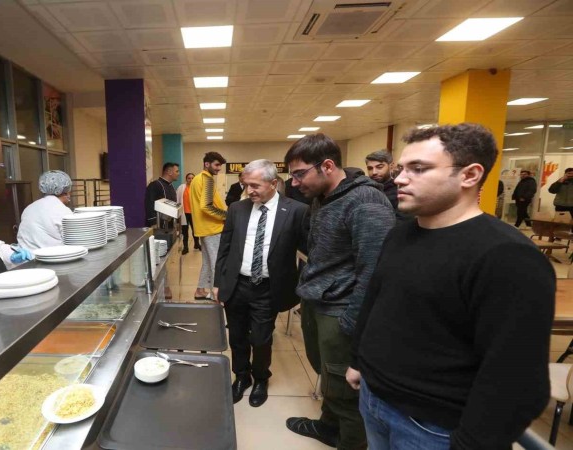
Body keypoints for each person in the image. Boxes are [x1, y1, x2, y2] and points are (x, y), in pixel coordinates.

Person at [346, 123, 555, 450]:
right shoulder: (401, 234)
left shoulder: (507, 256)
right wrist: (359, 360)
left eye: (418, 169)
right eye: (402, 168)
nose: (399, 179)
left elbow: (516, 378)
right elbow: (376, 302)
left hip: (433, 427)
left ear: (469, 175)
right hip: (375, 400)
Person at [283, 134, 395, 449]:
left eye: (300, 174)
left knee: (346, 393)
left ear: (328, 166)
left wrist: (351, 322)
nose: (294, 183)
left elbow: (374, 272)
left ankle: (351, 441)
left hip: (340, 311)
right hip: (317, 302)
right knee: (328, 377)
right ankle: (329, 427)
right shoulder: (322, 197)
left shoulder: (366, 201)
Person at [213, 159, 308, 407]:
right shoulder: (237, 208)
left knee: (261, 338)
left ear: (273, 183)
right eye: (246, 185)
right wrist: (218, 282)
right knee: (237, 336)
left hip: (267, 288)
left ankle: (261, 379)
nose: (249, 190)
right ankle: (241, 376)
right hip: (237, 284)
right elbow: (225, 247)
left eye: (255, 185)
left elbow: (309, 250)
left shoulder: (297, 210)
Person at [190, 151, 227, 300]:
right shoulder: (207, 179)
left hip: (204, 228)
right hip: (212, 228)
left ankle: (200, 291)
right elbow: (206, 206)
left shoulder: (197, 178)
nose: (219, 168)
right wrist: (227, 215)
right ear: (207, 164)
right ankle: (216, 295)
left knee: (208, 261)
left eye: (220, 165)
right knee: (216, 263)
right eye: (217, 165)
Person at [17, 170, 73, 250]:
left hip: (26, 255)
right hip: (53, 255)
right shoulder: (64, 212)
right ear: (66, 192)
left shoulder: (29, 208)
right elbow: (72, 242)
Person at [144, 162, 179, 227]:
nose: (178, 174)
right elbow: (149, 205)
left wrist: (177, 221)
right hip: (159, 225)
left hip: (170, 225)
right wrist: (154, 223)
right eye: (177, 171)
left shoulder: (171, 186)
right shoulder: (155, 185)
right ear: (169, 172)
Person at [176, 172, 199, 255]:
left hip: (194, 213)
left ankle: (197, 244)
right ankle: (185, 247)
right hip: (184, 213)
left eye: (192, 178)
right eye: (189, 178)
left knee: (195, 230)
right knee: (185, 231)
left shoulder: (197, 188)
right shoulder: (181, 187)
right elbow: (177, 199)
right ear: (186, 179)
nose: (191, 180)